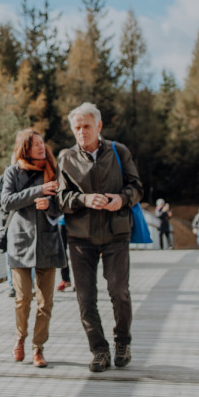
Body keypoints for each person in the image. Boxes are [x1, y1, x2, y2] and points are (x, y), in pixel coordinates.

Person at [57, 103, 144, 373]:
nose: (81, 132)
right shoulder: (66, 158)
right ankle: (99, 350)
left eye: (86, 126)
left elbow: (137, 187)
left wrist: (122, 198)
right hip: (80, 238)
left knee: (119, 292)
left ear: (99, 126)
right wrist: (83, 199)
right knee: (85, 297)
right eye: (77, 128)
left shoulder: (119, 151)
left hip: (116, 234)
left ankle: (122, 343)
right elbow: (61, 198)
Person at [0, 128, 66, 369]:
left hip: (48, 242)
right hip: (20, 242)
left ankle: (38, 348)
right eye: (34, 144)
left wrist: (50, 203)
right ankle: (20, 337)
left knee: (45, 302)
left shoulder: (54, 170)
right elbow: (6, 201)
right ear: (24, 148)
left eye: (42, 143)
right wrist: (38, 191)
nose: (40, 147)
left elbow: (62, 206)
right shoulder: (13, 172)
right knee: (23, 298)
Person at [55, 215, 73, 291]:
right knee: (61, 251)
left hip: (77, 223)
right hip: (62, 222)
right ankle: (65, 279)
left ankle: (79, 281)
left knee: (79, 251)